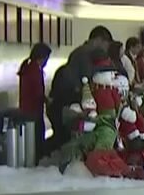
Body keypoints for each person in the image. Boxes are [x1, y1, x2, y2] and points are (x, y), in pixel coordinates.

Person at [47, 25, 113, 156]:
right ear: (98, 40)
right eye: (105, 45)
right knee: (63, 139)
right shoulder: (84, 54)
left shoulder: (80, 52)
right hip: (69, 101)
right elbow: (85, 80)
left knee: (61, 138)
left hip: (64, 101)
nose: (106, 49)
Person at [17, 42, 52, 162]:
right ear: (42, 57)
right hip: (33, 111)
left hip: (26, 109)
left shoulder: (27, 67)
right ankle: (36, 161)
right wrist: (48, 100)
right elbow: (37, 93)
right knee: (37, 140)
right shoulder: (35, 71)